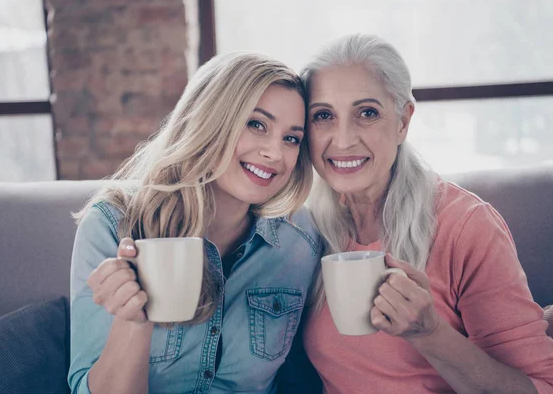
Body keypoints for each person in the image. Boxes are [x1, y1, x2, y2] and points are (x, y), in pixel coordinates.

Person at [298, 34, 553, 393]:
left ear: (403, 121)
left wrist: (429, 333)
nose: (342, 140)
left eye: (367, 113)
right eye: (323, 116)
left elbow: (540, 386)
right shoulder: (306, 231)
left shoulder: (466, 226)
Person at [68, 51, 322, 394]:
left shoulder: (298, 239)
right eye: (256, 124)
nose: (275, 154)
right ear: (210, 120)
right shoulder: (113, 226)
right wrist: (133, 322)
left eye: (291, 138)